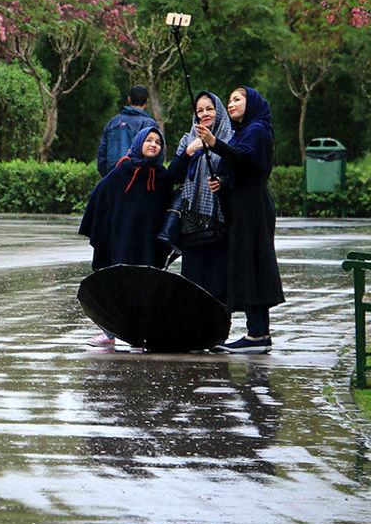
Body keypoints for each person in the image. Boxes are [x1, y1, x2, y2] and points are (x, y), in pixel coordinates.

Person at [193, 86, 285, 354]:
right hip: (243, 204)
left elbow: (245, 159)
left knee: (253, 264)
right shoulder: (243, 132)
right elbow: (239, 167)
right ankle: (258, 333)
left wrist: (214, 143)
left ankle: (257, 334)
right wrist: (222, 181)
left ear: (252, 102)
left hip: (253, 206)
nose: (231, 104)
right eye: (229, 100)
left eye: (237, 99)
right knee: (249, 265)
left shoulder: (257, 130)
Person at [79, 125, 175, 347]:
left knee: (145, 289)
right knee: (117, 285)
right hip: (122, 241)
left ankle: (139, 336)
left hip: (148, 244)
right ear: (139, 143)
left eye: (158, 142)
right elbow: (101, 196)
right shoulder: (122, 171)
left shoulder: (163, 177)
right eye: (149, 140)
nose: (153, 145)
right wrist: (104, 231)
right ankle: (109, 333)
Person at [165, 91, 234, 304]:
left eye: (209, 109)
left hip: (221, 222)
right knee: (192, 286)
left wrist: (222, 181)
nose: (204, 114)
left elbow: (238, 172)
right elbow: (173, 176)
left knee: (218, 286)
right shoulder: (188, 139)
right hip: (192, 223)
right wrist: (189, 151)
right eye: (200, 110)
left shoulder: (231, 138)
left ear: (219, 111)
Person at [97, 85, 158, 177]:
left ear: (129, 100)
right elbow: (156, 155)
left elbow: (102, 153)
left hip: (114, 175)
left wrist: (107, 176)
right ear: (147, 101)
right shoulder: (150, 124)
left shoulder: (113, 122)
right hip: (139, 177)